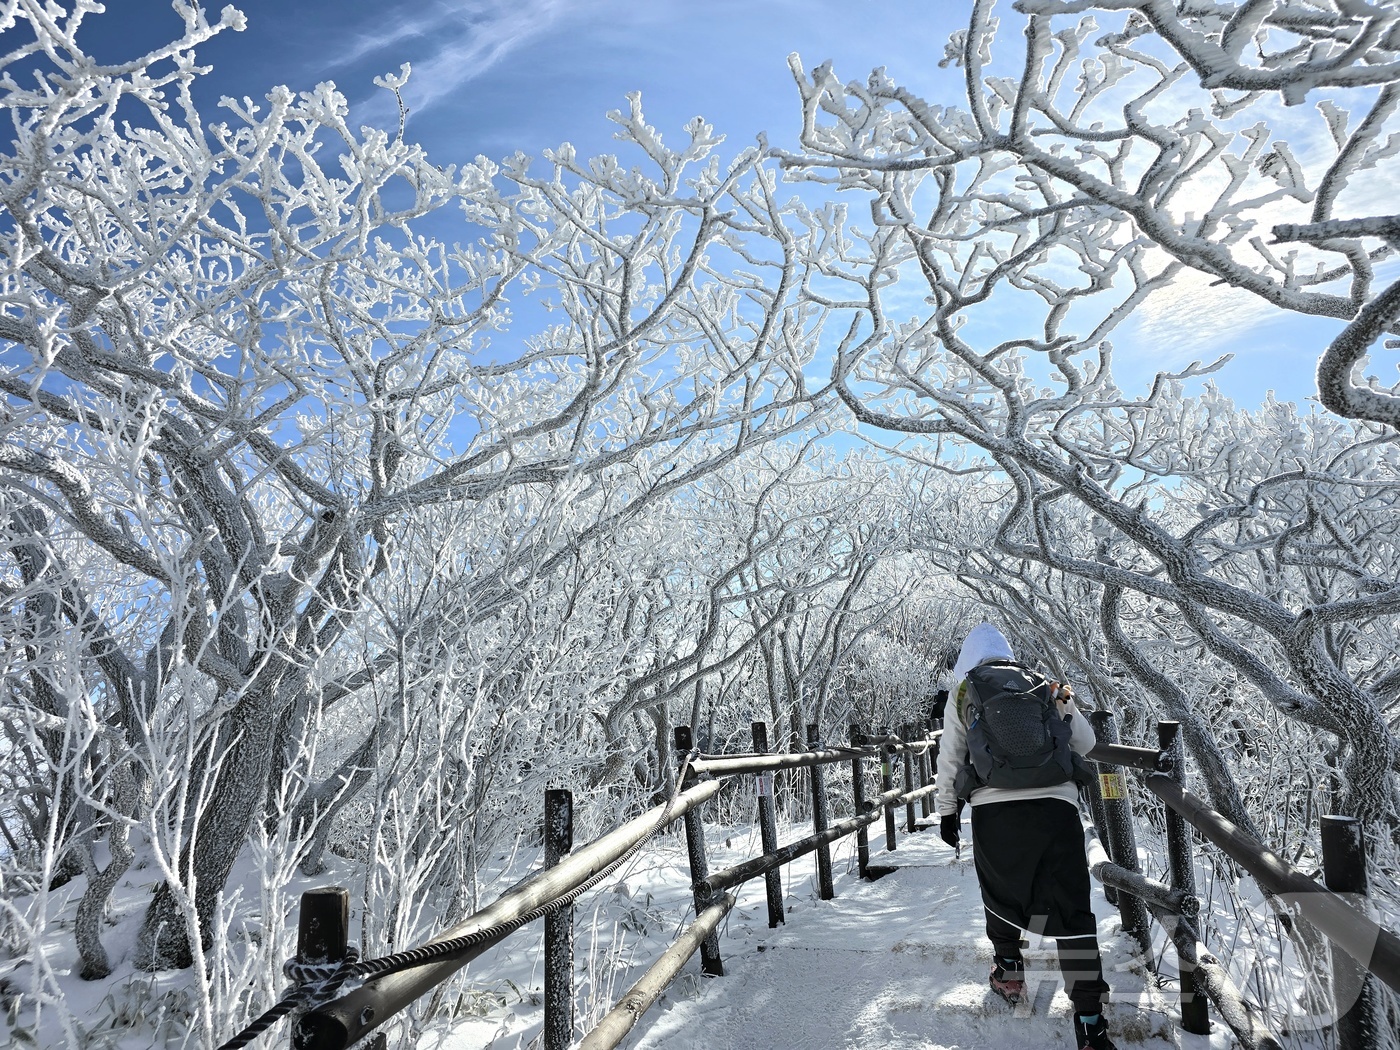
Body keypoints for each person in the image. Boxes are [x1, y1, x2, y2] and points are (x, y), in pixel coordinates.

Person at [934, 623, 1115, 1050]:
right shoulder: (1043, 685)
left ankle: (1010, 974)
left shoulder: (965, 691)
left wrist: (946, 811)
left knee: (1000, 893)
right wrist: (1065, 700)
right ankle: (1089, 1022)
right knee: (1072, 909)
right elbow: (1086, 743)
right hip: (1057, 806)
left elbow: (950, 757)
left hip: (993, 811)